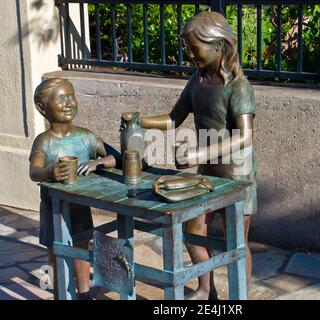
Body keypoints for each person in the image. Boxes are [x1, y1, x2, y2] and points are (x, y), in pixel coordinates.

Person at [138, 11, 257, 300]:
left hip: (236, 175)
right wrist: (140, 122)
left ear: (219, 45)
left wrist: (198, 151)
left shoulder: (238, 86)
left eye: (195, 48)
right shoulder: (197, 80)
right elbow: (172, 118)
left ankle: (240, 296)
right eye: (188, 49)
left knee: (236, 242)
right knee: (193, 229)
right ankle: (206, 289)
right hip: (208, 173)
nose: (190, 54)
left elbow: (244, 136)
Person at [29, 78, 117, 299]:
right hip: (54, 209)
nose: (69, 103)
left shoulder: (86, 137)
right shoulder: (44, 142)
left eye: (71, 97)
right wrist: (49, 172)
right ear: (42, 108)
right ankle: (61, 293)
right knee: (56, 252)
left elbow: (114, 156)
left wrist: (99, 162)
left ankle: (85, 292)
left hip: (80, 207)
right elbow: (34, 171)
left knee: (81, 248)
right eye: (61, 99)